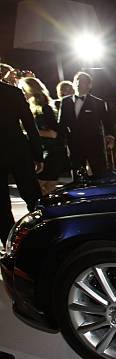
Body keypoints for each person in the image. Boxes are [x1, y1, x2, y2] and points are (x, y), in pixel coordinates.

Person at [0, 81, 43, 246]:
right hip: (18, 150)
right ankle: (42, 234)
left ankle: (10, 244)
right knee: (33, 196)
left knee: (1, 205)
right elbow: (30, 125)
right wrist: (38, 155)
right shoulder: (13, 92)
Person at [57, 71, 113, 178]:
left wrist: (110, 136)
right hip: (74, 145)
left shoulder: (98, 103)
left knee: (99, 173)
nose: (78, 84)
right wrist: (62, 142)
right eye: (76, 81)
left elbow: (107, 121)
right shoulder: (65, 102)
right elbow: (61, 124)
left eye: (81, 82)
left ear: (89, 85)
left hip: (93, 144)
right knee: (77, 175)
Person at [18, 77, 66, 195]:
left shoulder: (44, 108)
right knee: (48, 188)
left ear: (30, 90)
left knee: (36, 188)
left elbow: (53, 134)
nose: (22, 93)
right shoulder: (36, 107)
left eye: (23, 90)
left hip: (50, 153)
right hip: (47, 152)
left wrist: (27, 132)